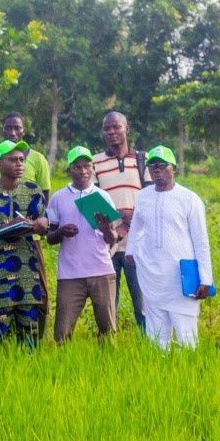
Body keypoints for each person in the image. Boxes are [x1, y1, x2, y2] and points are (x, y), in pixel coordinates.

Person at [125, 146, 213, 350]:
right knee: (157, 338)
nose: (157, 170)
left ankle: (188, 376)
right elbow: (136, 228)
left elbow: (201, 241)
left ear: (173, 168)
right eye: (153, 166)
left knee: (186, 338)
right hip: (152, 276)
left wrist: (205, 278)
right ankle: (160, 375)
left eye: (162, 166)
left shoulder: (189, 199)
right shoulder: (143, 196)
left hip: (180, 278)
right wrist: (130, 251)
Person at [0, 139, 50, 345]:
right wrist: (2, 228)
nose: (19, 164)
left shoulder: (32, 190)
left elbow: (44, 220)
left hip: (27, 273)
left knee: (29, 338)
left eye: (21, 160)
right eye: (12, 160)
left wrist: (41, 223)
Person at [46, 146, 120, 343]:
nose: (83, 171)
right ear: (70, 169)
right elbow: (50, 238)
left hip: (101, 270)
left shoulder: (101, 197)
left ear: (93, 168)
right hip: (70, 274)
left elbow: (112, 239)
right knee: (62, 332)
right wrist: (61, 232)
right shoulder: (58, 198)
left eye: (87, 166)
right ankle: (63, 368)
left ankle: (108, 367)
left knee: (108, 331)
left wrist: (106, 229)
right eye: (77, 167)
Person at [92, 111, 148, 330]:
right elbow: (93, 200)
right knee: (108, 303)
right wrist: (121, 215)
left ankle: (149, 346)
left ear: (127, 129)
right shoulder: (95, 162)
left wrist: (126, 224)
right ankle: (109, 347)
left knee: (142, 303)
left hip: (138, 244)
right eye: (107, 128)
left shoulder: (143, 160)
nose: (112, 132)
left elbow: (150, 202)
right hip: (107, 244)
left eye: (117, 127)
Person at [0, 113, 52, 199]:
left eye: (17, 128)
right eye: (8, 128)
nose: (13, 133)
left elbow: (45, 193)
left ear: (23, 131)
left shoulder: (39, 159)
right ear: (2, 130)